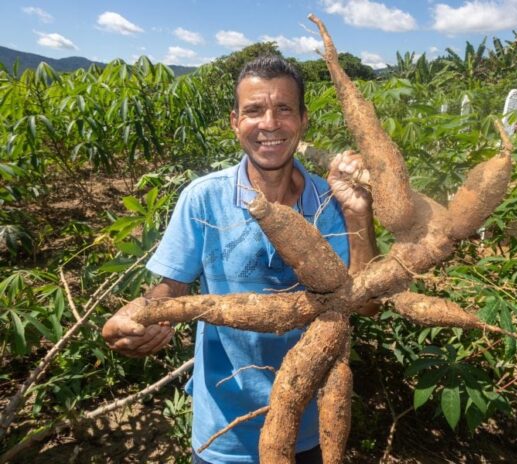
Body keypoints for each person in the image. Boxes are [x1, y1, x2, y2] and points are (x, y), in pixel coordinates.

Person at [102, 55, 378, 464]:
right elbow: (171, 290)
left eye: (284, 109)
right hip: (222, 427)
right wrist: (139, 315)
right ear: (235, 123)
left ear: (303, 120)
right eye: (254, 110)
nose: (269, 123)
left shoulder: (333, 201)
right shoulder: (204, 197)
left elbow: (366, 302)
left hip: (311, 419)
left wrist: (358, 214)